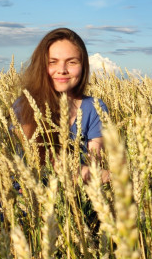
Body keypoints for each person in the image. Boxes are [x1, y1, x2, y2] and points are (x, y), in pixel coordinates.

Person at [13, 27, 108, 183]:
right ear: (41, 66)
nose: (62, 70)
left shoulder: (95, 108)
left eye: (72, 62)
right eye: (53, 62)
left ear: (83, 66)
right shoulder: (24, 106)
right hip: (30, 197)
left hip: (78, 198)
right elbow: (41, 162)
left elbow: (93, 166)